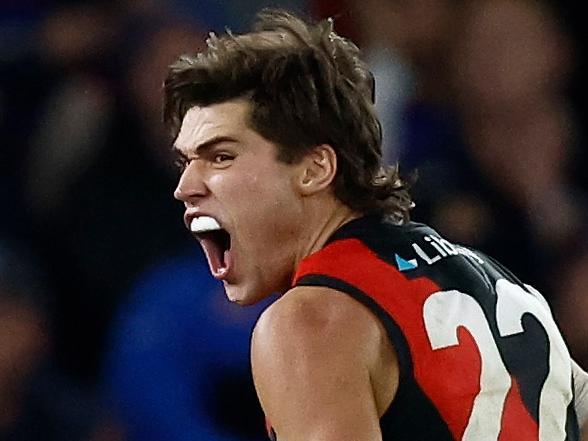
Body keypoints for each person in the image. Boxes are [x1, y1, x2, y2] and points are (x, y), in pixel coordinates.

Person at [164, 9, 588, 441]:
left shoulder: (307, 322)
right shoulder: (501, 285)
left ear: (314, 169)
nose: (185, 186)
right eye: (186, 161)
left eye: (221, 157)